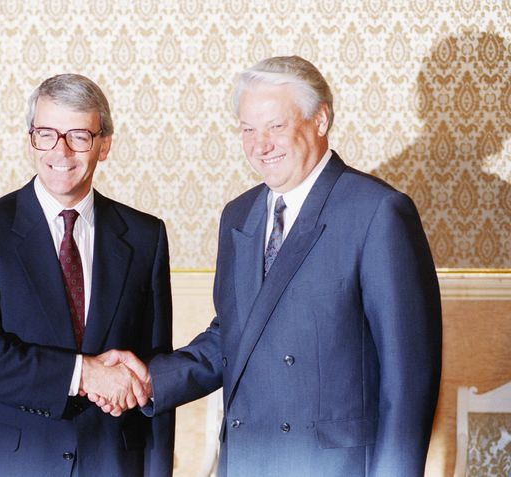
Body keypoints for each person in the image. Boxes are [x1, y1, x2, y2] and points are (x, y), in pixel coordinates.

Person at [99, 56, 442, 476]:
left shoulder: (377, 212)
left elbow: (408, 380)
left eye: (275, 127)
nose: (260, 145)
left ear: (320, 120)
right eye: (248, 129)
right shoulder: (238, 216)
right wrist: (153, 379)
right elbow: (234, 338)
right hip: (247, 460)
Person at [0, 73, 174, 477]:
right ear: (31, 140)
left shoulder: (145, 236)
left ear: (104, 145)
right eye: (46, 134)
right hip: (4, 465)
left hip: (110, 464)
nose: (60, 150)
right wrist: (85, 374)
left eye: (79, 135)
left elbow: (153, 371)